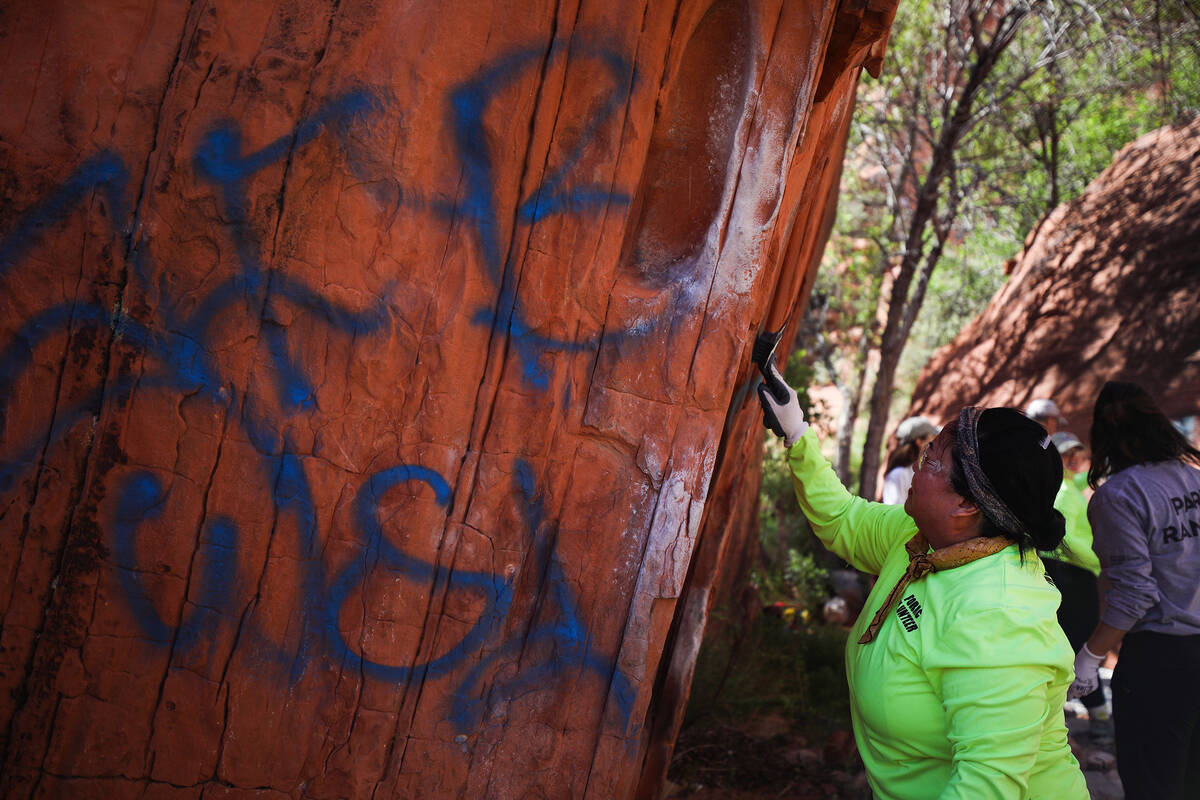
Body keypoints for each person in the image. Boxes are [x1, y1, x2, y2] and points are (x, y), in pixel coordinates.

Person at [759, 368, 1088, 799]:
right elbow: (844, 520)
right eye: (928, 447)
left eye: (932, 459)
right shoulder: (919, 538)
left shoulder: (998, 616)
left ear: (967, 503)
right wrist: (797, 432)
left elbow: (984, 787)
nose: (919, 461)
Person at [1068, 381, 1200, 799]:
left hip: (1161, 663)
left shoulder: (1119, 496)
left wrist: (1089, 657)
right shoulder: (1195, 481)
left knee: (1154, 785)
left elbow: (1134, 592)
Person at [1038, 432, 1108, 731]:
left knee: (1072, 643)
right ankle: (1100, 719)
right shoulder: (1064, 491)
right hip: (1071, 574)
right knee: (1079, 644)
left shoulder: (1066, 485)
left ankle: (1092, 716)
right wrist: (1098, 560)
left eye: (1077, 452)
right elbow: (1062, 534)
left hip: (1069, 572)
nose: (1075, 458)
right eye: (1067, 454)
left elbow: (1081, 482)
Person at [881, 416, 939, 504]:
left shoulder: (927, 469)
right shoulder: (898, 475)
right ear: (919, 442)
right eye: (932, 437)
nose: (935, 442)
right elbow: (892, 510)